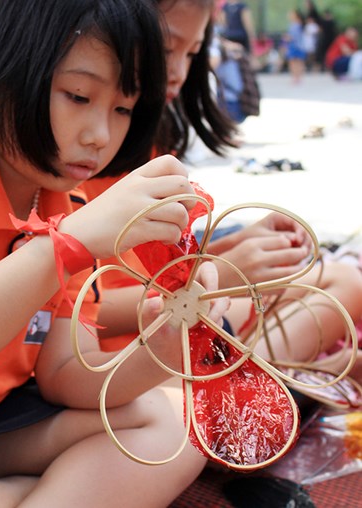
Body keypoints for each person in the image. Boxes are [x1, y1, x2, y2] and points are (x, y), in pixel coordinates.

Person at [0, 1, 226, 506]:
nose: (100, 134)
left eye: (122, 108)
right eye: (79, 96)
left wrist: (161, 350)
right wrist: (66, 244)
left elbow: (62, 375)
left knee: (183, 421)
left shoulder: (65, 201)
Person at [82, 0, 362, 384]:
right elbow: (81, 308)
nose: (179, 71)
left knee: (344, 280)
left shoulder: (146, 136)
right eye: (166, 50)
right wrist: (224, 277)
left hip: (167, 319)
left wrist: (237, 248)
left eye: (193, 53)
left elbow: (157, 266)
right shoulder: (85, 152)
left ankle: (264, 380)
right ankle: (263, 384)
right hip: (132, 348)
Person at [284, 9, 306, 83]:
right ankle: (297, 77)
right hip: (298, 46)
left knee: (295, 62)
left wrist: (287, 38)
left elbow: (293, 36)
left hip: (295, 46)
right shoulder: (298, 24)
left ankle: (296, 77)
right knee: (297, 62)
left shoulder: (296, 25)